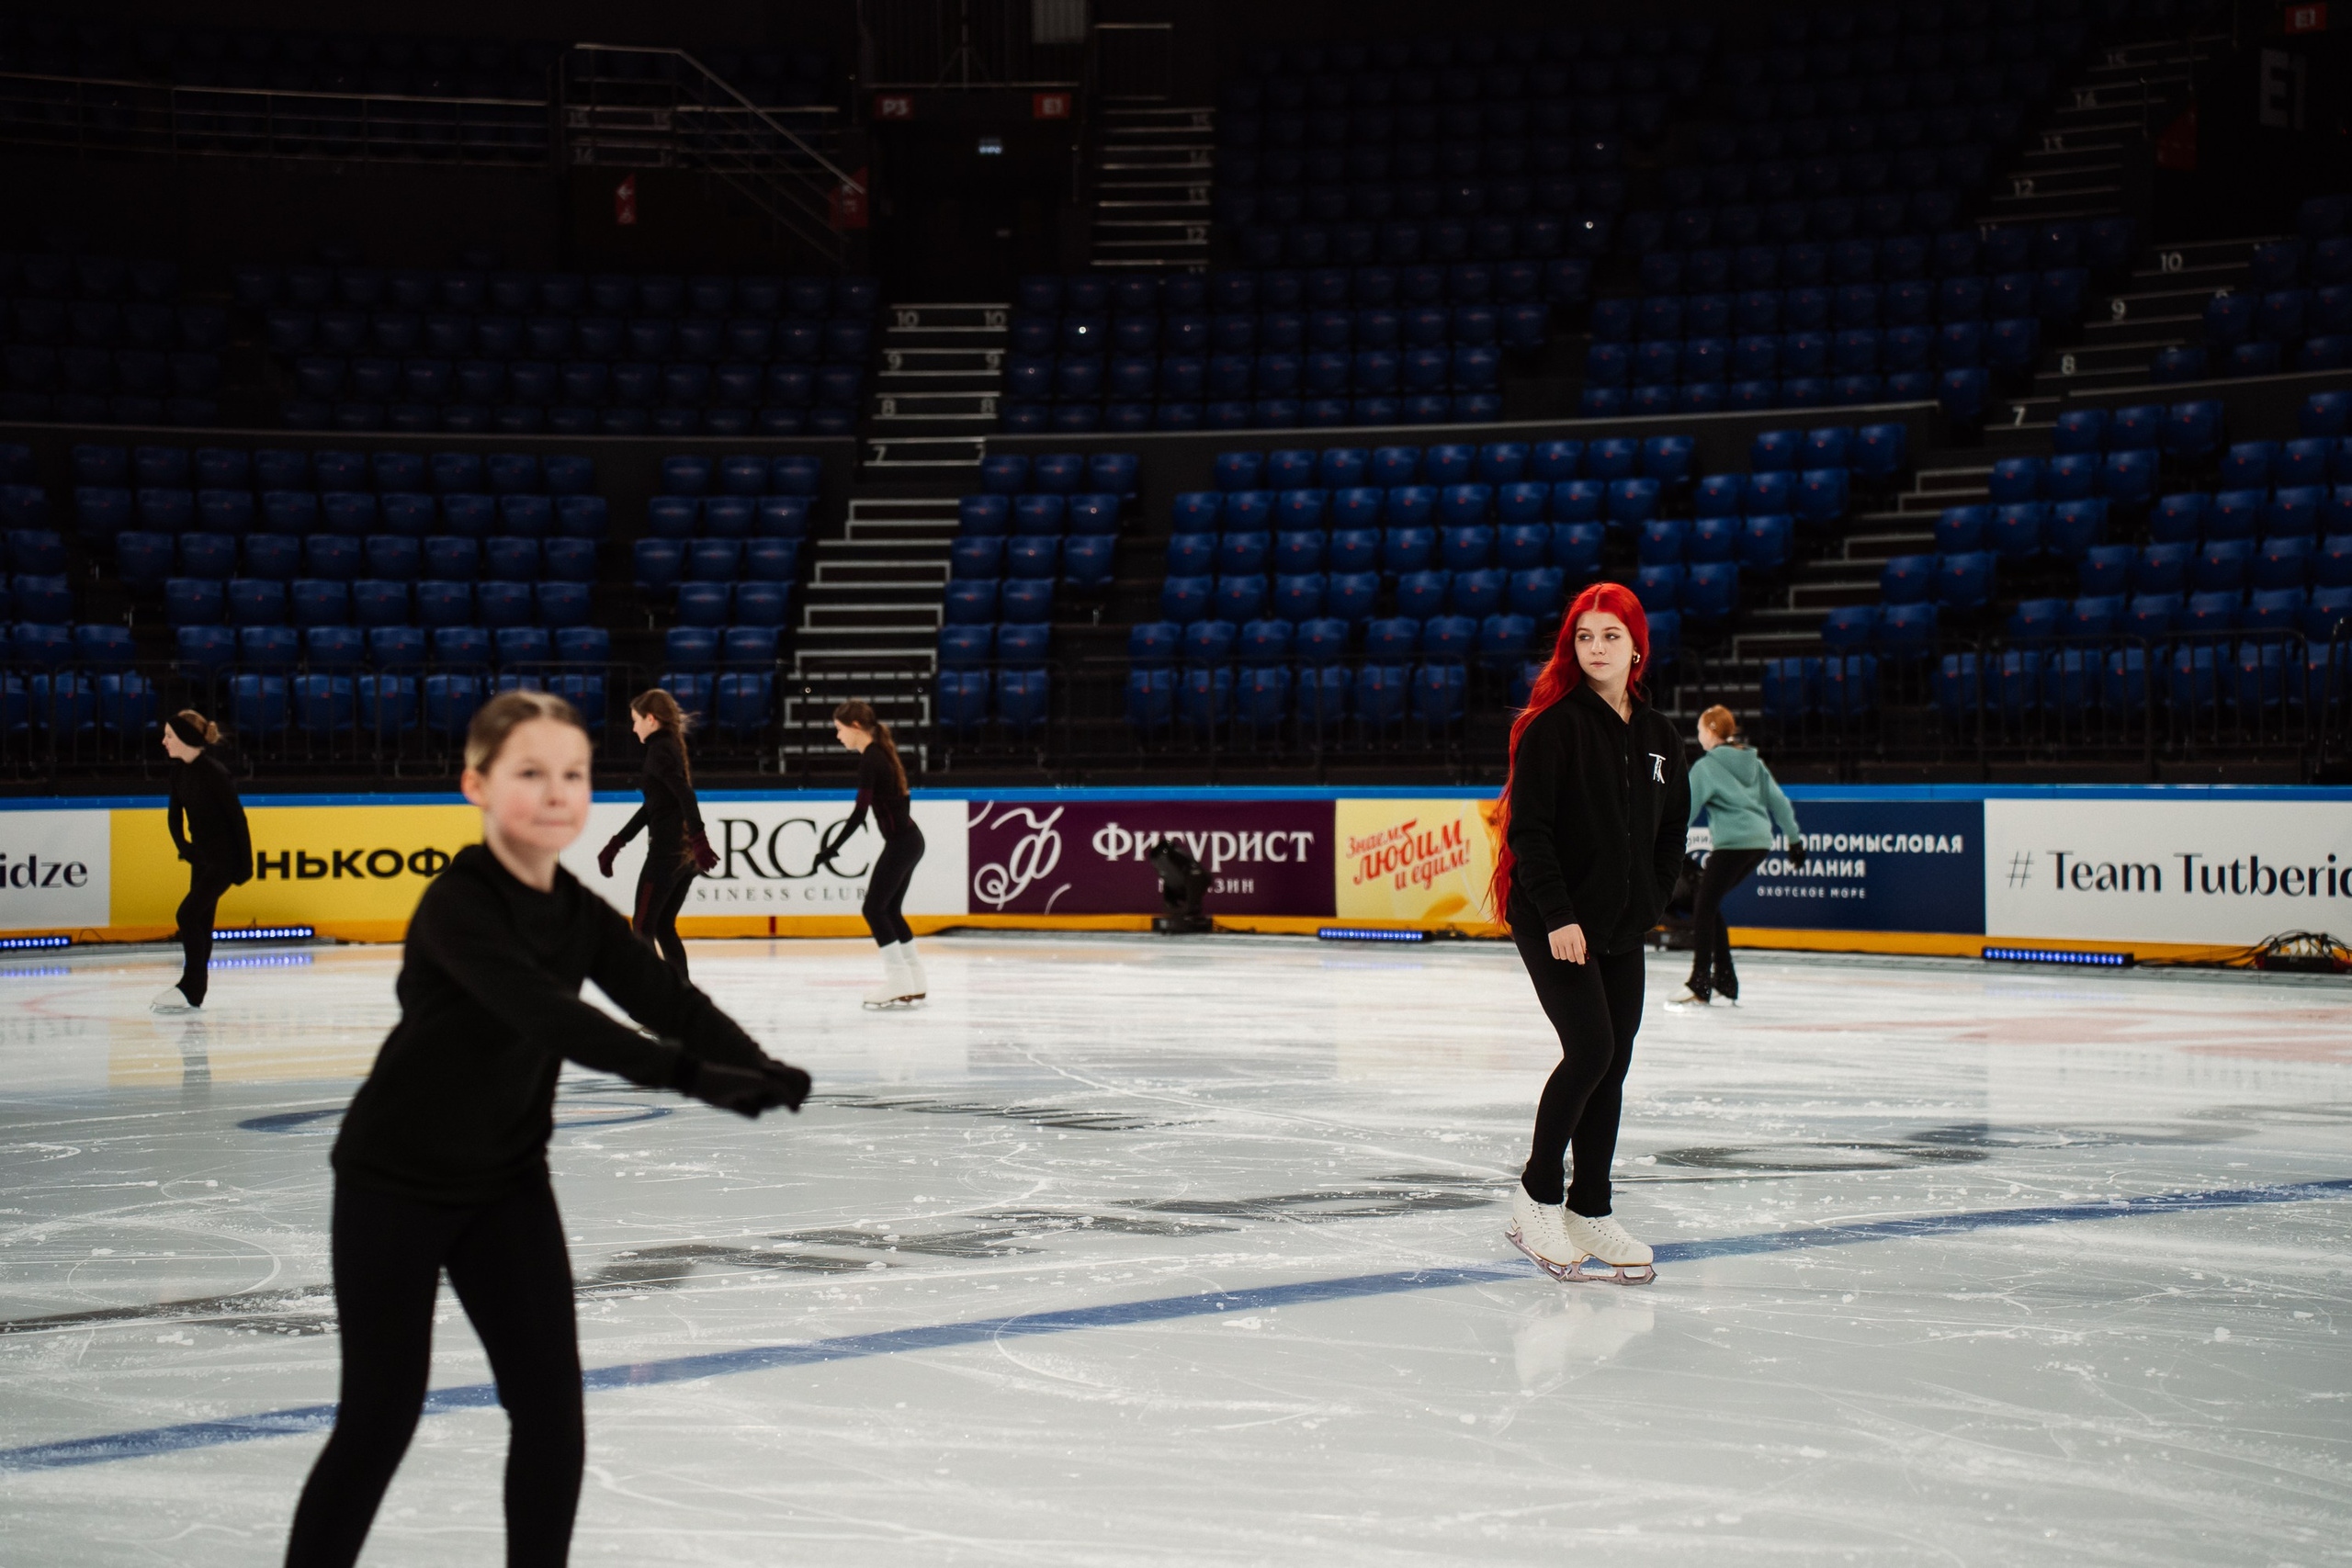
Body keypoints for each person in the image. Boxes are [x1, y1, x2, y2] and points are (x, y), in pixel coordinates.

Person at [285, 690, 810, 1568]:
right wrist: (694, 1078)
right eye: (531, 772)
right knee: (380, 1418)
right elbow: (550, 1018)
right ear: (476, 786)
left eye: (574, 772)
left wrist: (756, 1061)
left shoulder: (573, 909)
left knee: (551, 1411)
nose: (558, 790)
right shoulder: (460, 906)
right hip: (392, 1183)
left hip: (506, 1184)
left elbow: (663, 997)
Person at [1488, 581, 1689, 1286]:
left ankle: (1590, 1207)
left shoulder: (1662, 735)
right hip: (1552, 915)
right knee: (1591, 1048)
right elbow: (1530, 832)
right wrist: (1561, 914)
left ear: (1637, 645)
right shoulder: (1554, 726)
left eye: (1610, 634)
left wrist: (1652, 898)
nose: (1596, 647)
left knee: (1616, 1059)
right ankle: (1536, 1196)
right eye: (1584, 635)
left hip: (1620, 921)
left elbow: (1671, 831)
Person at [1671, 705, 1804, 1010]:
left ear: (1713, 731)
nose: (1698, 735)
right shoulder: (1752, 761)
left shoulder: (1708, 766)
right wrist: (1794, 841)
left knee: (1703, 908)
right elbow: (1779, 803)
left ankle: (1700, 983)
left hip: (1732, 845)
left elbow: (1687, 810)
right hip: (1759, 842)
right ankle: (1725, 982)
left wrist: (1669, 840)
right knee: (1709, 903)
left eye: (1701, 729)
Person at [596, 690, 718, 979]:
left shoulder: (660, 750)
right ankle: (683, 1004)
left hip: (667, 856)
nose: (633, 727)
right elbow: (654, 805)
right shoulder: (667, 747)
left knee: (642, 930)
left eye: (636, 720)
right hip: (681, 857)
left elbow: (685, 796)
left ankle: (658, 1005)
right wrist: (617, 843)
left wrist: (700, 840)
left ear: (651, 719)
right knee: (662, 928)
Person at [820, 699, 926, 1009]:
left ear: (855, 727)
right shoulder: (879, 753)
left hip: (903, 843)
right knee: (889, 910)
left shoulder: (872, 758)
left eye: (840, 730)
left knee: (873, 909)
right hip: (910, 840)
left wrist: (832, 848)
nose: (838, 737)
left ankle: (898, 979)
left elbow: (859, 813)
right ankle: (915, 979)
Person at [153, 710, 252, 1014]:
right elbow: (174, 817)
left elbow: (238, 819)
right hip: (202, 860)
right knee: (201, 922)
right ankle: (195, 991)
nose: (164, 741)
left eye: (169, 735)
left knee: (187, 915)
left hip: (224, 860)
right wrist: (186, 848)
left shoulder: (215, 773)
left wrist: (246, 864)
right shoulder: (179, 772)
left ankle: (191, 984)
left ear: (184, 738)